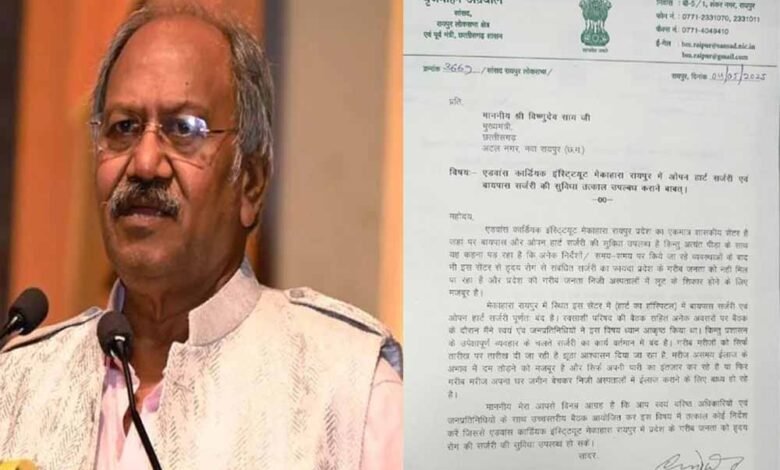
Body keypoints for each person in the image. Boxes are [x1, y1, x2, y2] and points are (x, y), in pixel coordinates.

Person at [0, 4, 402, 470]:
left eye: (184, 129)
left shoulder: (351, 395)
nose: (144, 163)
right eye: (123, 127)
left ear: (251, 183)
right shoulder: (16, 385)